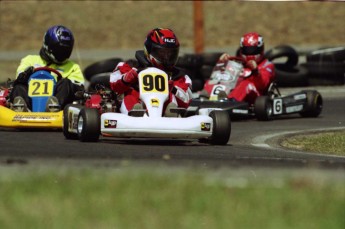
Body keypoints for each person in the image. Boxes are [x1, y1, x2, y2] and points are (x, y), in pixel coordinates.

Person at [109, 28, 193, 116]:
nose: (167, 57)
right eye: (162, 53)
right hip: (138, 105)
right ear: (149, 50)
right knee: (130, 96)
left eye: (170, 54)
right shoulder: (130, 66)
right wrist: (126, 79)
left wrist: (173, 89)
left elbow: (186, 100)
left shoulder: (179, 76)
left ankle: (170, 116)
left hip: (164, 114)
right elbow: (113, 85)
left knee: (171, 98)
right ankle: (135, 113)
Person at [10, 25, 85, 112]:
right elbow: (19, 76)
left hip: (59, 103)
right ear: (48, 45)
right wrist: (27, 74)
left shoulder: (73, 67)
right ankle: (22, 108)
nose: (62, 53)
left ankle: (53, 107)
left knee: (66, 83)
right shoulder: (30, 60)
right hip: (30, 101)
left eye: (65, 50)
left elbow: (79, 87)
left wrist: (59, 81)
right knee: (19, 86)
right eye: (59, 49)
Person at [213, 32, 275, 105]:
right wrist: (221, 63)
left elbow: (262, 84)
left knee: (247, 84)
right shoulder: (239, 63)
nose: (250, 53)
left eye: (253, 50)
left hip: (258, 97)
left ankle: (230, 102)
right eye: (247, 50)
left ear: (260, 49)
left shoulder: (267, 65)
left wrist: (256, 71)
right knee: (223, 76)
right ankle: (206, 96)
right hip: (234, 94)